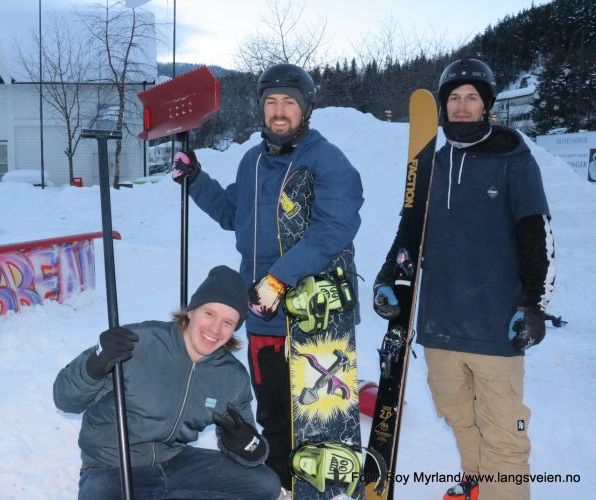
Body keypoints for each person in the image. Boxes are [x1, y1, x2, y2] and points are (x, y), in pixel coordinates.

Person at [172, 63, 364, 493]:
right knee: (274, 413)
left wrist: (278, 278)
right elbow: (230, 214)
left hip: (317, 318)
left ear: (305, 109)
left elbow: (334, 229)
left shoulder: (325, 160)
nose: (279, 111)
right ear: (261, 109)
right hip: (262, 316)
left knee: (319, 416)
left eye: (289, 103)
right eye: (271, 103)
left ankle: (322, 490)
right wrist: (195, 181)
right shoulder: (251, 161)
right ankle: (281, 486)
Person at [373, 58, 555, 500]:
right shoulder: (432, 162)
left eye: (471, 97)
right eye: (453, 98)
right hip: (440, 327)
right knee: (457, 415)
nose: (461, 105)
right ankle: (477, 483)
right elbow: (409, 232)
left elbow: (537, 235)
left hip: (495, 326)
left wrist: (533, 305)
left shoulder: (514, 158)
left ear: (486, 104)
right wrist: (388, 277)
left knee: (504, 433)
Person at [53, 265, 281, 500]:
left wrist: (250, 447)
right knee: (98, 494)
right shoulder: (136, 343)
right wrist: (94, 365)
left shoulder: (231, 376)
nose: (215, 329)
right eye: (209, 313)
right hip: (113, 467)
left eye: (227, 322)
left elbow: (247, 443)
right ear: (191, 311)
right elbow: (65, 399)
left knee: (265, 484)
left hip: (176, 463)